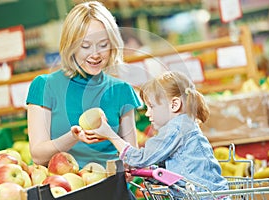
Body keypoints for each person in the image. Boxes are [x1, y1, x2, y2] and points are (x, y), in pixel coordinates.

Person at [26, 1, 141, 171]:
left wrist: (130, 168)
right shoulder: (44, 86)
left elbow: (132, 157)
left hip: (114, 189)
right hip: (67, 190)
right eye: (85, 46)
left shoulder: (122, 90)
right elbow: (37, 155)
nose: (95, 54)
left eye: (103, 45)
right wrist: (73, 137)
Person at [86, 71, 229, 197]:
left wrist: (110, 135)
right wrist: (144, 172)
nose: (147, 113)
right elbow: (174, 173)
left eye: (151, 107)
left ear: (174, 105)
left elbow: (141, 158)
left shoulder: (176, 128)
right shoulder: (184, 125)